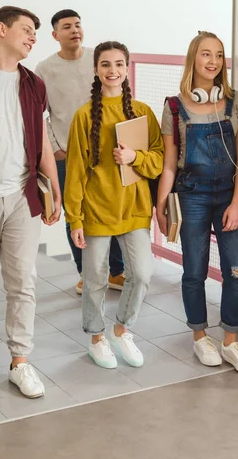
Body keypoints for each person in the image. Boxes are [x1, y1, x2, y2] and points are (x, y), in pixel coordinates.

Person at [157, 31, 238, 374]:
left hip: (229, 195)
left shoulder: (234, 102)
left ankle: (231, 340)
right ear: (193, 59)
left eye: (218, 55)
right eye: (205, 54)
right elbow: (170, 162)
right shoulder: (173, 106)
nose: (213, 61)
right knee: (195, 271)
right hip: (192, 195)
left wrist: (236, 202)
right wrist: (161, 205)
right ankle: (200, 336)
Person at [65, 41, 163, 369]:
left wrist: (135, 157)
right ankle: (96, 337)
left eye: (119, 64)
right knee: (94, 277)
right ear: (96, 70)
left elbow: (159, 160)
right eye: (105, 64)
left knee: (143, 273)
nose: (113, 71)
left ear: (127, 68)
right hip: (96, 210)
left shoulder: (143, 112)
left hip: (133, 208)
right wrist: (74, 218)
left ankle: (122, 329)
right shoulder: (82, 117)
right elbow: (76, 171)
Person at [0, 6, 61, 397]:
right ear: (1, 30)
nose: (33, 37)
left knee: (23, 283)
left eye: (35, 32)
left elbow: (43, 139)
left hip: (21, 195)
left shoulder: (34, 84)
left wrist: (54, 187)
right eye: (27, 30)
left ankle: (20, 361)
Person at [35, 10, 125, 294]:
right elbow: (41, 114)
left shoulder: (96, 61)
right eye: (67, 27)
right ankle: (86, 274)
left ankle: (115, 272)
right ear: (55, 35)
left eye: (78, 25)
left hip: (104, 151)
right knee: (74, 213)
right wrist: (57, 147)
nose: (75, 30)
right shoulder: (44, 69)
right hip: (67, 153)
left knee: (109, 207)